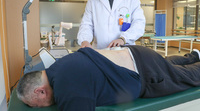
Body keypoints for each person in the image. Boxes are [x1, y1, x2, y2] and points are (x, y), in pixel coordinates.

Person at [17, 45, 200, 111]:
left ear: (39, 91)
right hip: (139, 55)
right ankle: (194, 55)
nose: (37, 108)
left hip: (147, 73)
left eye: (35, 105)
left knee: (186, 77)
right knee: (167, 64)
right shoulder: (58, 67)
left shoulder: (67, 89)